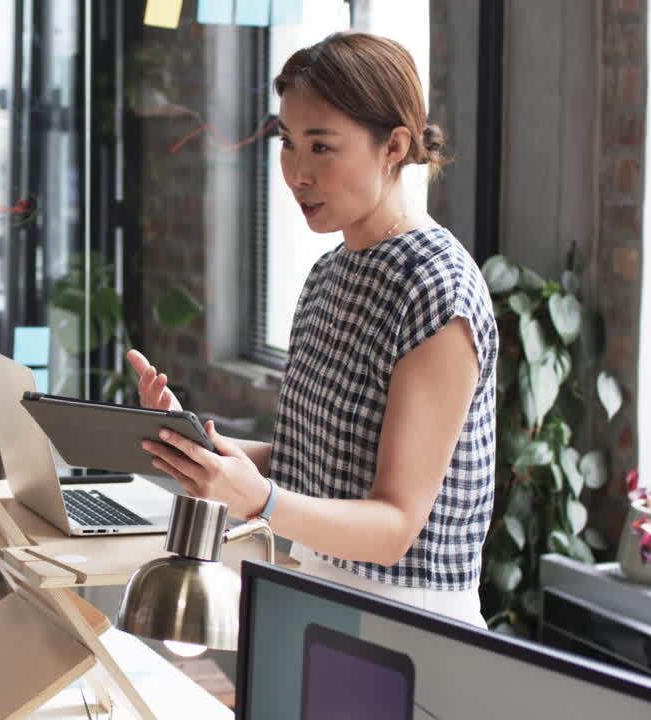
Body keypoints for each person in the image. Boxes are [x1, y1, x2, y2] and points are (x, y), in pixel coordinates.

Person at [133, 32, 498, 628]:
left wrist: (258, 498)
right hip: (312, 588)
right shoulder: (331, 272)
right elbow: (317, 464)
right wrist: (197, 449)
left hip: (407, 620)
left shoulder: (437, 288)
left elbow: (394, 528)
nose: (296, 173)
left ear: (394, 146)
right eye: (287, 142)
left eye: (322, 147)